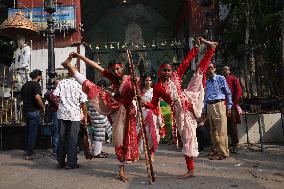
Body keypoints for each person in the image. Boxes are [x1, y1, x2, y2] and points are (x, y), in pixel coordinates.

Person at [142, 37, 218, 179]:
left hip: (188, 98)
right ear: (160, 71)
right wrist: (143, 103)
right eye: (164, 70)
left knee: (199, 74)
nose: (167, 73)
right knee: (187, 138)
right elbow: (153, 104)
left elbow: (187, 61)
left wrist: (196, 48)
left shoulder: (176, 76)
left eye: (169, 70)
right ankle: (191, 169)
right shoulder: (157, 87)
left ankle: (211, 48)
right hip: (180, 112)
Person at [61, 55, 139, 182]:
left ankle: (70, 67)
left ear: (122, 67)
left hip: (127, 113)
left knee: (125, 141)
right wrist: (80, 56)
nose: (115, 72)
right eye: (113, 70)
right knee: (91, 87)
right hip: (114, 109)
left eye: (117, 69)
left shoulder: (133, 79)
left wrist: (137, 89)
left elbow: (138, 96)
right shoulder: (114, 79)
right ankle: (70, 67)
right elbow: (95, 66)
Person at [53, 70, 88, 169]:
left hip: (62, 114)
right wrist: (85, 116)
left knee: (62, 138)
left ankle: (60, 162)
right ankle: (71, 163)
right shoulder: (80, 84)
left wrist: (62, 104)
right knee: (73, 139)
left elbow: (55, 95)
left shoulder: (62, 83)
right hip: (74, 115)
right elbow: (83, 103)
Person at [203, 63, 233, 160]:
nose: (209, 69)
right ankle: (216, 150)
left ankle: (223, 152)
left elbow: (228, 93)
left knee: (222, 130)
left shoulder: (220, 78)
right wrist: (204, 109)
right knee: (212, 131)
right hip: (209, 106)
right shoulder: (207, 82)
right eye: (208, 68)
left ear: (214, 69)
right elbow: (205, 97)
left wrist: (229, 107)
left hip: (219, 104)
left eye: (211, 67)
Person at [138, 75, 163, 162]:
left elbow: (158, 105)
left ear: (152, 81)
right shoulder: (140, 92)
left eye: (150, 80)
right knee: (143, 135)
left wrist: (159, 117)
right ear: (144, 81)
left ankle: (152, 154)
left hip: (153, 116)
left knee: (152, 135)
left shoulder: (154, 91)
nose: (148, 82)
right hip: (142, 115)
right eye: (146, 80)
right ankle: (145, 152)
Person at [21, 69, 45, 160]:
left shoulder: (25, 85)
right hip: (33, 111)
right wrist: (42, 106)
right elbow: (37, 97)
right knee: (33, 133)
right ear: (38, 76)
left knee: (28, 131)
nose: (41, 77)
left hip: (26, 110)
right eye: (41, 75)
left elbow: (21, 96)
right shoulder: (36, 85)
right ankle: (30, 153)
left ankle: (27, 150)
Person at [88, 79, 111, 158]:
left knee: (98, 135)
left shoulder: (94, 92)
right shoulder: (99, 94)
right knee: (99, 136)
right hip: (99, 117)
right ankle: (97, 153)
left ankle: (96, 150)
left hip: (96, 117)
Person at [222, 65, 242, 153]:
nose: (225, 71)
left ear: (229, 71)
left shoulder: (234, 79)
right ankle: (226, 144)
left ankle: (235, 145)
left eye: (226, 69)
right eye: (223, 70)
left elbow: (239, 92)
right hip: (222, 106)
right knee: (224, 126)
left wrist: (233, 104)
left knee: (233, 126)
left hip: (232, 106)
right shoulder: (220, 80)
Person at [44, 79, 60, 158]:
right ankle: (56, 150)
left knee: (60, 132)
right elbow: (57, 104)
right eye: (58, 83)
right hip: (56, 113)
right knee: (56, 132)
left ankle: (60, 150)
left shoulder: (62, 92)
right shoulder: (52, 93)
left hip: (63, 114)